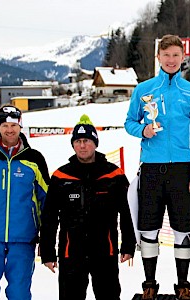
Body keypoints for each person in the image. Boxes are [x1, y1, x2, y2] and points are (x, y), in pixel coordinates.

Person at [124, 34, 190, 300]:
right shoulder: (144, 90)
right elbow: (129, 122)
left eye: (176, 55)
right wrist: (143, 130)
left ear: (183, 58)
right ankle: (149, 284)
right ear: (158, 57)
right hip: (150, 169)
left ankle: (183, 285)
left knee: (183, 227)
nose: (171, 60)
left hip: (181, 171)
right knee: (148, 228)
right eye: (166, 55)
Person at [39, 114, 136, 300]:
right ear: (73, 145)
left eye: (87, 141)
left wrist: (128, 245)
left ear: (95, 143)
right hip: (71, 252)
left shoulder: (113, 175)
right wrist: (47, 252)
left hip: (104, 251)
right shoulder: (61, 176)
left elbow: (127, 212)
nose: (82, 145)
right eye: (78, 141)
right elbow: (49, 217)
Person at [0, 104, 50, 300]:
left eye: (14, 125)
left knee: (20, 294)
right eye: (5, 125)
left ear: (20, 127)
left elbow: (47, 202)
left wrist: (46, 241)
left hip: (23, 239)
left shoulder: (34, 159)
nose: (9, 130)